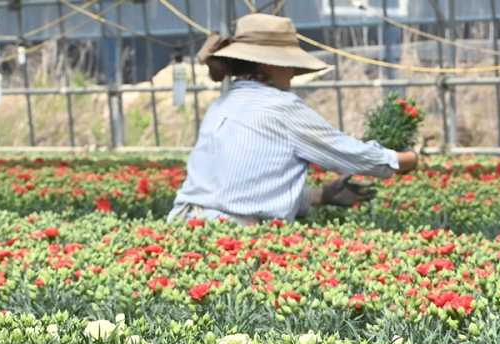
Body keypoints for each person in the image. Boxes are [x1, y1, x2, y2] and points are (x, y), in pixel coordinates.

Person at [169, 13, 419, 225]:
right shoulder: (281, 107)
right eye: (289, 65)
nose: (291, 74)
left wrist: (324, 195)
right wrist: (406, 159)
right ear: (269, 65)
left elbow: (241, 189)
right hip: (230, 238)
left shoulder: (220, 105)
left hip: (182, 226)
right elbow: (348, 154)